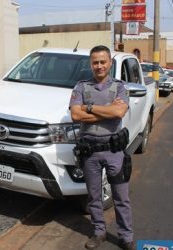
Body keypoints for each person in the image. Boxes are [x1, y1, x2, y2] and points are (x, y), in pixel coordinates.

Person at [69, 45, 135, 250]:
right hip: (90, 152)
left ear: (110, 63)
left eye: (103, 62)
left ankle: (126, 236)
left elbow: (119, 113)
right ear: (91, 64)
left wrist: (88, 107)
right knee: (94, 196)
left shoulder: (119, 87)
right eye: (95, 62)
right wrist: (108, 110)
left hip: (114, 150)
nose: (99, 66)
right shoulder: (81, 87)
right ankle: (99, 232)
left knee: (121, 197)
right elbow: (75, 115)